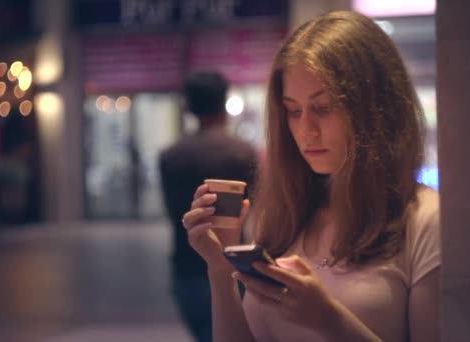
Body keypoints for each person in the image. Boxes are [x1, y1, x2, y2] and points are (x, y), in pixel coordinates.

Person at [181, 11, 440, 342]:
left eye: (324, 108)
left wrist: (329, 318)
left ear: (375, 109)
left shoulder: (424, 221)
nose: (306, 131)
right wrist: (219, 271)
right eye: (294, 111)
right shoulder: (281, 215)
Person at [159, 71, 257, 342]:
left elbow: (173, 213)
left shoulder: (171, 157)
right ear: (224, 101)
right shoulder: (243, 153)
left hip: (187, 264)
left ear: (188, 106)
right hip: (236, 260)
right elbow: (254, 207)